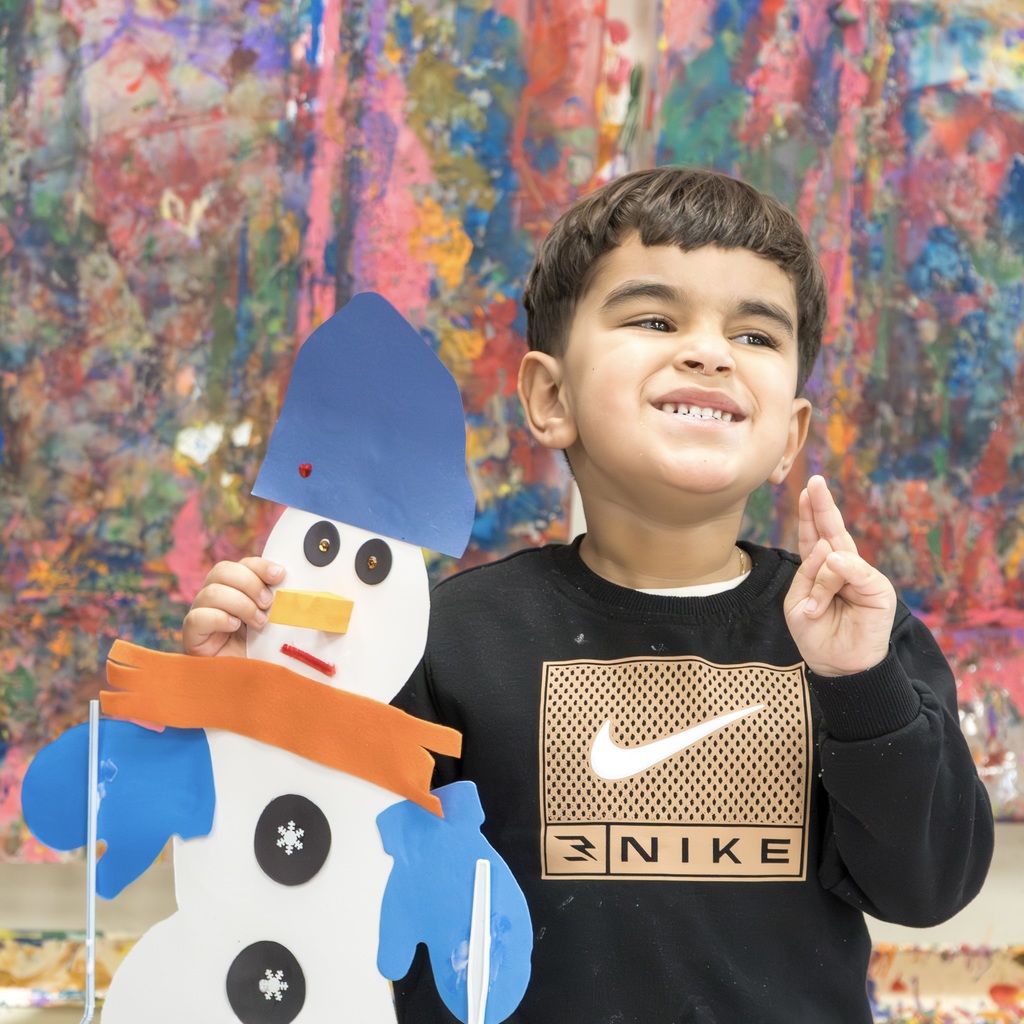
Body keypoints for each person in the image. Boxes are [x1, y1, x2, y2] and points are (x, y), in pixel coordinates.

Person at [183, 167, 993, 1024]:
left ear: (790, 434)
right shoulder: (446, 635)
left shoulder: (856, 633)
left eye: (756, 335)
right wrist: (251, 703)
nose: (710, 352)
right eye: (655, 319)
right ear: (550, 396)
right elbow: (317, 871)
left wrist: (861, 685)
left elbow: (928, 885)